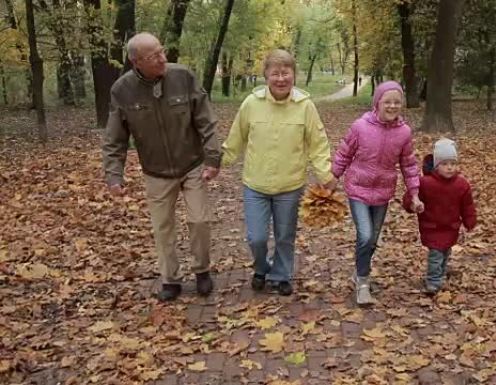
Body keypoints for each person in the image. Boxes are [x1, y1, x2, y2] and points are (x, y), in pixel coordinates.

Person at [102, 32, 221, 301]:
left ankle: (202, 271)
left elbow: (206, 121)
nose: (162, 58)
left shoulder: (183, 77)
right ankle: (171, 279)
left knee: (199, 220)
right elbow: (114, 138)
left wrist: (213, 158)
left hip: (192, 163)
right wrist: (113, 175)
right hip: (156, 171)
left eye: (162, 51)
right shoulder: (122, 90)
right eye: (154, 56)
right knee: (162, 227)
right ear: (136, 62)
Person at [222, 49, 336, 296]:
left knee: (285, 235)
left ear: (294, 75)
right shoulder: (251, 104)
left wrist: (325, 175)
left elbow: (318, 143)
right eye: (275, 73)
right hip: (256, 184)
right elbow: (235, 138)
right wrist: (217, 163)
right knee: (256, 238)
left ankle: (281, 274)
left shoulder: (305, 106)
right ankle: (261, 268)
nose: (281, 79)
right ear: (266, 75)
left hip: (290, 184)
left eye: (286, 73)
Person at [331, 80, 423, 305]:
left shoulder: (404, 133)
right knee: (364, 235)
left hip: (383, 192)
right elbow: (344, 152)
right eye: (387, 101)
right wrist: (333, 176)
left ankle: (358, 272)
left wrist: (415, 193)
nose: (392, 106)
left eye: (397, 102)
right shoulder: (360, 127)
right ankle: (363, 282)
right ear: (377, 103)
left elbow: (409, 165)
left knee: (372, 240)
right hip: (357, 189)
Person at [402, 138, 477, 294]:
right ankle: (433, 281)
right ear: (436, 166)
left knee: (445, 252)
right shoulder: (425, 183)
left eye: (453, 164)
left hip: (451, 226)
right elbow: (411, 196)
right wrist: (413, 204)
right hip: (432, 227)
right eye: (444, 164)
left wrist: (470, 221)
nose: (449, 168)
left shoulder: (461, 185)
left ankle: (440, 276)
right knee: (436, 254)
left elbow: (467, 205)